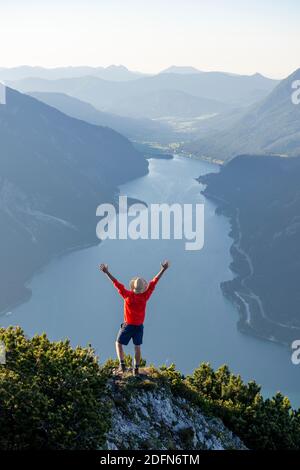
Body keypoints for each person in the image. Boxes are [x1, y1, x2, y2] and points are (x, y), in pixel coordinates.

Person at [99, 261, 170, 376]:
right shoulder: (145, 296)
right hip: (139, 326)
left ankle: (122, 366)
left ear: (133, 287)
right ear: (143, 288)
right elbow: (154, 282)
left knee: (118, 343)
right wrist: (163, 269)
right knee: (137, 347)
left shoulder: (127, 295)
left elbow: (115, 283)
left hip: (128, 325)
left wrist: (106, 272)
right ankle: (136, 369)